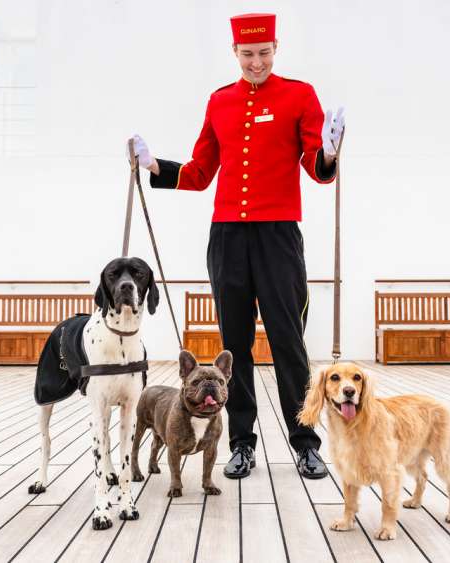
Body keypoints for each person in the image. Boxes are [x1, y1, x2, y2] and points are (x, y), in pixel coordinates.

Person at [129, 13, 344, 480]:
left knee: (288, 342)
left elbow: (315, 165)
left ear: (275, 49)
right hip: (227, 236)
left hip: (278, 235)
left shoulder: (299, 95)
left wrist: (329, 151)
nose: (256, 62)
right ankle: (241, 444)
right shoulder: (220, 101)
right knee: (236, 346)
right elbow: (202, 171)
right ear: (235, 54)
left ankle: (305, 442)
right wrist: (154, 166)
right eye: (247, 54)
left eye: (264, 53)